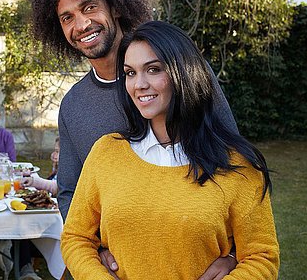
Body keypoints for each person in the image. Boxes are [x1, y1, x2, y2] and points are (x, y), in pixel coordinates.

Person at [31, 0, 238, 278]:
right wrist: (95, 250)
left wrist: (234, 253)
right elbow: (71, 190)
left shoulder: (183, 75)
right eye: (67, 17)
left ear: (114, 7)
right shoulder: (73, 105)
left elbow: (231, 160)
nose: (82, 24)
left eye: (89, 8)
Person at [60, 21, 280, 278]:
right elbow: (76, 237)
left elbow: (262, 256)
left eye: (153, 70)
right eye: (130, 73)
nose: (138, 84)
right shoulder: (106, 153)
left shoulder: (238, 164)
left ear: (183, 72)